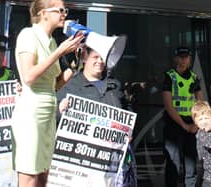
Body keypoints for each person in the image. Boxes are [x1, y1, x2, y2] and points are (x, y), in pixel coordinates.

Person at [10, 0, 84, 186]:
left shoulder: (51, 42)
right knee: (30, 177)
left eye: (64, 10)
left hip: (48, 113)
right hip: (31, 114)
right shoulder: (28, 35)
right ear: (43, 13)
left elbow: (54, 85)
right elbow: (28, 77)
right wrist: (59, 52)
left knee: (43, 175)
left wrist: (75, 64)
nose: (64, 14)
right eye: (60, 10)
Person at [57, 46, 136, 187]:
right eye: (95, 57)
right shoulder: (72, 87)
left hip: (113, 162)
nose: (100, 61)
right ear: (85, 58)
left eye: (103, 58)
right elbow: (54, 118)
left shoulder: (115, 85)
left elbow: (127, 110)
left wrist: (128, 130)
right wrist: (60, 109)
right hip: (84, 164)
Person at [162, 46, 203, 187]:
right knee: (173, 164)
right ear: (175, 58)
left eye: (186, 57)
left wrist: (196, 124)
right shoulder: (169, 76)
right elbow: (168, 105)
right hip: (174, 122)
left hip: (191, 123)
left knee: (191, 164)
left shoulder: (194, 78)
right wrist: (184, 126)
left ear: (190, 59)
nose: (183, 60)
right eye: (181, 57)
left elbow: (201, 104)